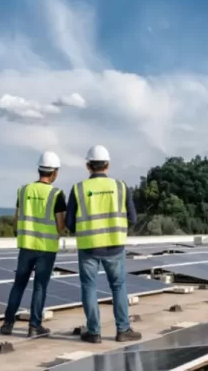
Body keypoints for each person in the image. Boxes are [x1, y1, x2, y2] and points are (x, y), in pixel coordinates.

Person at [66, 144, 142, 344]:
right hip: (114, 246)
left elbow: (69, 223)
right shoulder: (121, 187)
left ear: (88, 166)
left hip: (88, 247)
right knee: (118, 287)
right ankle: (123, 330)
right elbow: (133, 218)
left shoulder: (78, 189)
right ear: (107, 165)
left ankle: (94, 332)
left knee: (89, 288)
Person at [0, 151, 67, 337]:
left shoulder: (23, 191)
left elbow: (16, 220)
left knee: (19, 284)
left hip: (26, 245)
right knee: (40, 286)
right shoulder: (56, 194)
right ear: (54, 172)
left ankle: (7, 324)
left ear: (39, 170)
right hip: (46, 248)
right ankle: (34, 326)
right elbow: (60, 225)